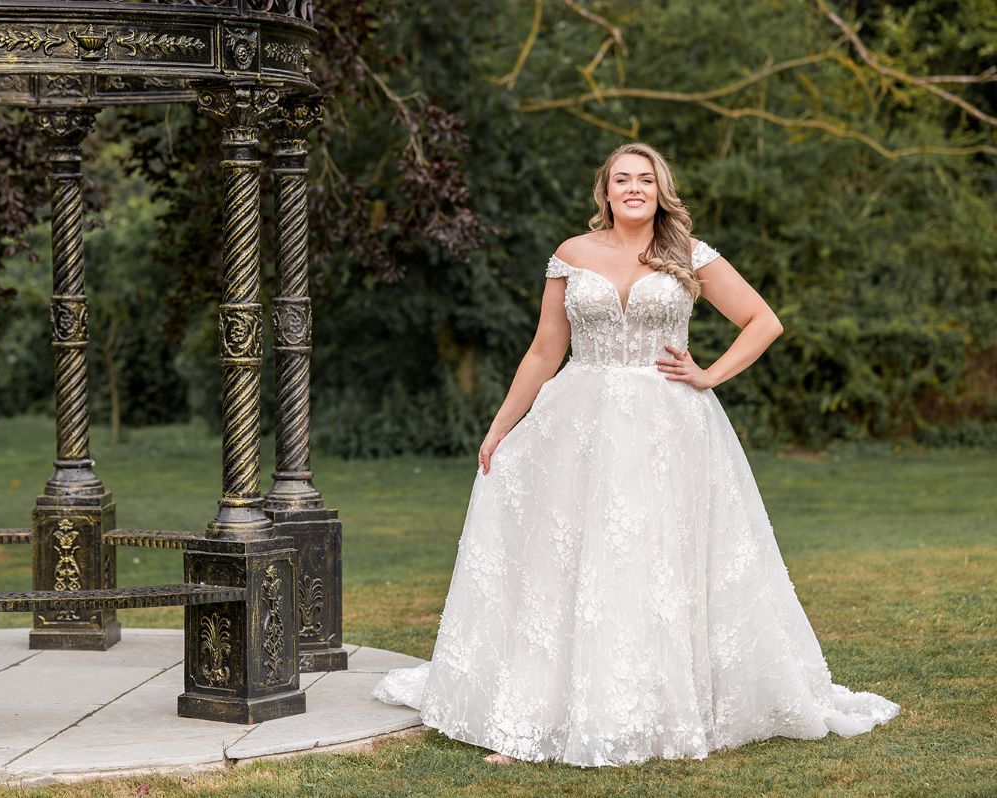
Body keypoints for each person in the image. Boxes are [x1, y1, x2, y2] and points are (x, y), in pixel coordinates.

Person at [371, 142, 899, 767]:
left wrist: (710, 374)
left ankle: (663, 705)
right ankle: (541, 713)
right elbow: (545, 350)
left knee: (657, 557)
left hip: (668, 428)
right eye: (622, 179)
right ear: (606, 191)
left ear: (660, 190)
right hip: (580, 424)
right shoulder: (572, 254)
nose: (633, 188)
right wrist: (500, 427)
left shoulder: (688, 255)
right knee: (569, 561)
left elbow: (763, 321)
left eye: (645, 179)